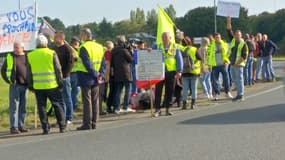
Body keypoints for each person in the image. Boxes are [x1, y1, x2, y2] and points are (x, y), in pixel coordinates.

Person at [27, 35, 66, 134]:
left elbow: (29, 72)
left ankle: (45, 128)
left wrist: (30, 85)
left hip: (38, 86)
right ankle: (62, 126)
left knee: (42, 107)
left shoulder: (30, 55)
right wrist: (60, 82)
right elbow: (58, 69)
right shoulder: (51, 53)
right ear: (46, 43)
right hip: (52, 84)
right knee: (57, 105)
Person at [76, 28, 105, 130]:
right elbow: (103, 62)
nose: (80, 37)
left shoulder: (84, 47)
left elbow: (87, 63)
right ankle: (94, 122)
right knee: (95, 100)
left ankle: (87, 123)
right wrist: (101, 74)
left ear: (85, 36)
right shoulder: (100, 47)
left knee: (87, 101)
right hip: (96, 76)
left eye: (81, 35)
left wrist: (95, 74)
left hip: (86, 76)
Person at [1, 41, 29, 134]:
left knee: (23, 107)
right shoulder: (10, 57)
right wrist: (8, 81)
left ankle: (22, 125)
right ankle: (14, 127)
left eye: (17, 47)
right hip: (15, 85)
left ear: (22, 48)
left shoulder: (27, 57)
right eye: (14, 47)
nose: (15, 49)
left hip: (25, 85)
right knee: (14, 107)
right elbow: (3, 70)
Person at [154, 32, 183, 117]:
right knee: (158, 91)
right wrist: (149, 50)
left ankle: (167, 108)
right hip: (159, 72)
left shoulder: (175, 47)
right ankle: (157, 109)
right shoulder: (157, 46)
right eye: (163, 37)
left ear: (170, 38)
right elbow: (151, 54)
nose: (165, 39)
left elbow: (179, 59)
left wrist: (179, 71)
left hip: (171, 72)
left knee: (169, 91)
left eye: (166, 37)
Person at [53, 31, 74, 124]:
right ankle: (61, 117)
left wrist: (65, 75)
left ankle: (69, 117)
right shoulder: (54, 49)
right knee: (59, 99)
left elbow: (70, 63)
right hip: (56, 77)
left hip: (65, 77)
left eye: (56, 37)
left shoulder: (67, 49)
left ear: (61, 38)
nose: (54, 39)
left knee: (67, 97)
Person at [111, 35, 135, 114]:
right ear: (123, 42)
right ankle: (125, 106)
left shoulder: (113, 51)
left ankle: (117, 107)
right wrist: (131, 51)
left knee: (119, 90)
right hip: (126, 73)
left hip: (117, 72)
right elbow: (131, 59)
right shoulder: (124, 50)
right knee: (128, 89)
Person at [227, 17, 248, 101]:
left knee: (239, 80)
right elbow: (229, 30)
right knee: (235, 80)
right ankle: (238, 94)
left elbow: (244, 56)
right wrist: (229, 21)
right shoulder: (233, 41)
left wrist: (237, 63)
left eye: (238, 35)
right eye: (236, 35)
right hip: (232, 64)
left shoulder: (243, 44)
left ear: (241, 35)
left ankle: (241, 95)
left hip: (238, 65)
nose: (236, 36)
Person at [208, 33, 233, 100]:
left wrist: (226, 61)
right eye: (216, 37)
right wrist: (209, 64)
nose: (217, 39)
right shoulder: (211, 46)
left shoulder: (224, 44)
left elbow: (229, 52)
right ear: (214, 38)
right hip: (214, 65)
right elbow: (209, 56)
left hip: (223, 65)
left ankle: (227, 92)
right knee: (214, 80)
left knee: (226, 79)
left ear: (220, 37)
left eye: (218, 37)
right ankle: (216, 94)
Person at [181, 36, 202, 109]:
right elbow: (200, 59)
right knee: (194, 88)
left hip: (184, 72)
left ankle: (184, 104)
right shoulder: (194, 49)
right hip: (193, 72)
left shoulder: (181, 49)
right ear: (190, 42)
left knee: (185, 89)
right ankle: (193, 104)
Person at [70, 36, 81, 111]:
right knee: (75, 90)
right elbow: (75, 59)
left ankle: (73, 105)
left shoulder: (76, 50)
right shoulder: (71, 50)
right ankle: (73, 106)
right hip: (73, 72)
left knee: (75, 91)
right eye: (76, 43)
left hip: (75, 72)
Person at [105, 41, 115, 113]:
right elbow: (108, 64)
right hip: (108, 74)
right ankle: (109, 106)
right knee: (111, 90)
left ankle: (108, 105)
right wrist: (107, 76)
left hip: (104, 73)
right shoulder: (108, 53)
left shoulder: (104, 52)